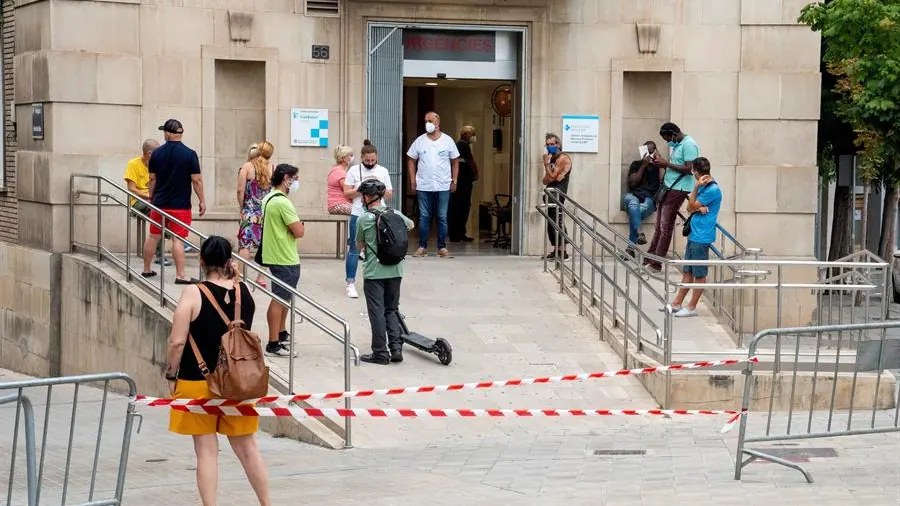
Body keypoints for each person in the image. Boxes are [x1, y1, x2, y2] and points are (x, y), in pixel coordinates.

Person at [163, 236, 271, 506]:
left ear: (201, 261)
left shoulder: (192, 292)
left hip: (196, 380)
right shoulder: (243, 291)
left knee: (206, 452)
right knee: (248, 449)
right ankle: (267, 503)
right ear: (228, 260)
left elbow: (177, 342)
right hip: (237, 383)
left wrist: (169, 375)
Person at [354, 180, 414, 365]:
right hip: (396, 270)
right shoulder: (395, 213)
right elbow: (410, 225)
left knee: (377, 312)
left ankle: (380, 352)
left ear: (367, 197)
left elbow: (359, 244)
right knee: (392, 309)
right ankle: (396, 348)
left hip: (374, 272)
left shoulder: (364, 219)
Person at [141, 119, 206, 283]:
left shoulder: (156, 154)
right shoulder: (190, 154)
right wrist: (202, 201)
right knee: (178, 239)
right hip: (180, 206)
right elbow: (196, 180)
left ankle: (147, 269)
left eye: (164, 131)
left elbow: (152, 179)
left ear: (167, 133)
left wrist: (151, 197)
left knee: (153, 236)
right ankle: (180, 275)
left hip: (159, 203)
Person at [259, 164, 304, 357]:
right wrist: (299, 227)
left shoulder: (268, 198)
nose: (296, 182)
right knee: (279, 299)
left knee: (284, 297)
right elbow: (299, 231)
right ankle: (273, 343)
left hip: (274, 254)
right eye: (295, 178)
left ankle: (281, 332)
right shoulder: (283, 203)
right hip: (285, 256)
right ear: (286, 178)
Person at [668, 157, 721, 318]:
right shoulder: (705, 186)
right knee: (688, 271)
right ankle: (677, 303)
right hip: (694, 234)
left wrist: (696, 190)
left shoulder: (711, 189)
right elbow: (693, 207)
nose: (693, 175)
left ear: (697, 172)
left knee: (699, 274)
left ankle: (691, 307)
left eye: (693, 172)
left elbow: (690, 207)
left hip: (702, 236)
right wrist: (698, 206)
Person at [644, 122, 700, 272]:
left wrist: (667, 164)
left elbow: (690, 169)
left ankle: (656, 264)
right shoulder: (679, 144)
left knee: (665, 227)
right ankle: (650, 258)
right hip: (668, 188)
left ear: (674, 134)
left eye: (668, 138)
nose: (668, 142)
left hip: (678, 190)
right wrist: (660, 164)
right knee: (659, 227)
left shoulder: (689, 145)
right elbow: (676, 165)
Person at [343, 140, 393, 299]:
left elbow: (390, 193)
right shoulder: (353, 170)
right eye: (367, 160)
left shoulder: (383, 171)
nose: (370, 163)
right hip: (358, 212)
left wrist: (377, 188)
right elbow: (346, 193)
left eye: (373, 160)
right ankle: (350, 283)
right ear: (362, 158)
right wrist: (362, 188)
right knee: (354, 248)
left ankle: (378, 280)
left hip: (379, 213)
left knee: (379, 246)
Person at [406, 111, 460, 258]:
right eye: (425, 121)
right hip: (424, 185)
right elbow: (411, 159)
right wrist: (413, 180)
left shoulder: (447, 141)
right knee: (424, 216)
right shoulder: (420, 141)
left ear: (437, 122)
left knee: (442, 216)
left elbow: (455, 161)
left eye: (429, 120)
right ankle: (422, 247)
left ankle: (442, 247)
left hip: (443, 185)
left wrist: (454, 180)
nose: (427, 124)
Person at [124, 138, 169, 266]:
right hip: (137, 201)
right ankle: (175, 242)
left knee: (170, 210)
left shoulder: (159, 165)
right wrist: (149, 196)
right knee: (158, 214)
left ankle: (178, 239)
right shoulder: (134, 164)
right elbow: (131, 189)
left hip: (155, 200)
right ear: (149, 153)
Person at [236, 140, 274, 288]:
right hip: (266, 213)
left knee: (245, 245)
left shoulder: (247, 167)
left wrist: (242, 206)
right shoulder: (272, 167)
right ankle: (261, 277)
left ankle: (239, 276)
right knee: (266, 245)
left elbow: (240, 190)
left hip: (249, 212)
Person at [624, 141, 662, 246]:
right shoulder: (636, 164)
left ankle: (631, 246)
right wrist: (643, 166)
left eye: (651, 152)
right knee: (632, 203)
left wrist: (660, 164)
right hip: (633, 195)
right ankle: (639, 231)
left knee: (635, 211)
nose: (649, 156)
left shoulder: (659, 167)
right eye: (647, 152)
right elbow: (632, 182)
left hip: (649, 199)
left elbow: (663, 182)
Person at [542, 132, 572, 260]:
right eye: (547, 145)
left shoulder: (563, 159)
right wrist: (549, 170)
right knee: (550, 222)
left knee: (558, 220)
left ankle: (563, 250)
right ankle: (556, 249)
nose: (550, 147)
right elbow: (544, 180)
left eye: (552, 144)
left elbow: (553, 177)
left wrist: (546, 164)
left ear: (558, 144)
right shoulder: (552, 159)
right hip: (549, 192)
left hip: (558, 193)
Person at [449, 125, 479, 243]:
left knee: (459, 206)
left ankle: (460, 232)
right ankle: (458, 233)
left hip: (462, 180)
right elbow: (470, 160)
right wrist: (476, 172)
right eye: (473, 134)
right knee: (462, 206)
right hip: (463, 181)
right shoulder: (463, 144)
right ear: (466, 135)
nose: (474, 137)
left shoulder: (459, 145)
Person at [327, 144, 354, 216]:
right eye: (350, 156)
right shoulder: (340, 172)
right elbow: (348, 191)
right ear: (343, 158)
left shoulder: (335, 169)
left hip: (335, 205)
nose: (352, 158)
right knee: (359, 211)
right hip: (338, 204)